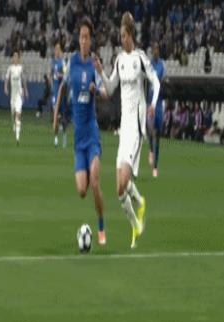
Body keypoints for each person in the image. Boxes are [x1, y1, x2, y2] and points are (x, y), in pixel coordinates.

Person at [95, 12, 160, 249]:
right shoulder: (120, 60)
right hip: (124, 128)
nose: (121, 39)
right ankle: (137, 220)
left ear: (131, 34)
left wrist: (153, 104)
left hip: (136, 128)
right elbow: (111, 87)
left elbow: (156, 82)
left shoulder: (140, 58)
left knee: (123, 181)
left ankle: (139, 206)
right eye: (120, 36)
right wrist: (101, 72)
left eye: (124, 35)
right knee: (118, 189)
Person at [53, 17, 107, 246]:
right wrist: (55, 117)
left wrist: (97, 89)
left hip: (92, 134)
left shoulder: (94, 64)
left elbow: (106, 92)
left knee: (95, 181)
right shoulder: (72, 62)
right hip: (79, 138)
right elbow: (62, 88)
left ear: (91, 39)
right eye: (81, 37)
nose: (84, 41)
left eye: (87, 37)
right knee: (82, 190)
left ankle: (101, 227)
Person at [147, 41, 165, 178]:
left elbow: (160, 80)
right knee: (150, 129)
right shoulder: (148, 65)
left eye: (157, 49)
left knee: (157, 134)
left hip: (158, 103)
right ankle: (150, 149)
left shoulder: (161, 65)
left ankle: (155, 167)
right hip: (149, 102)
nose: (155, 52)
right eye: (154, 49)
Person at [4, 51, 28, 145]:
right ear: (12, 58)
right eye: (14, 56)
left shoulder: (21, 68)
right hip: (13, 95)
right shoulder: (10, 68)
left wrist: (25, 91)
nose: (15, 58)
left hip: (19, 94)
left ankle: (17, 137)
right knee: (13, 113)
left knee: (18, 114)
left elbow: (24, 80)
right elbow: (7, 79)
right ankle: (14, 123)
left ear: (18, 58)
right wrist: (5, 87)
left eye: (16, 57)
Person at [51, 42, 67, 148]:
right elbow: (51, 74)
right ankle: (56, 138)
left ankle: (64, 134)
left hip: (62, 92)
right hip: (55, 92)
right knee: (55, 115)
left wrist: (60, 75)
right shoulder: (53, 62)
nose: (56, 51)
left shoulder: (63, 62)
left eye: (58, 49)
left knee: (63, 116)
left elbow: (65, 75)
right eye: (55, 49)